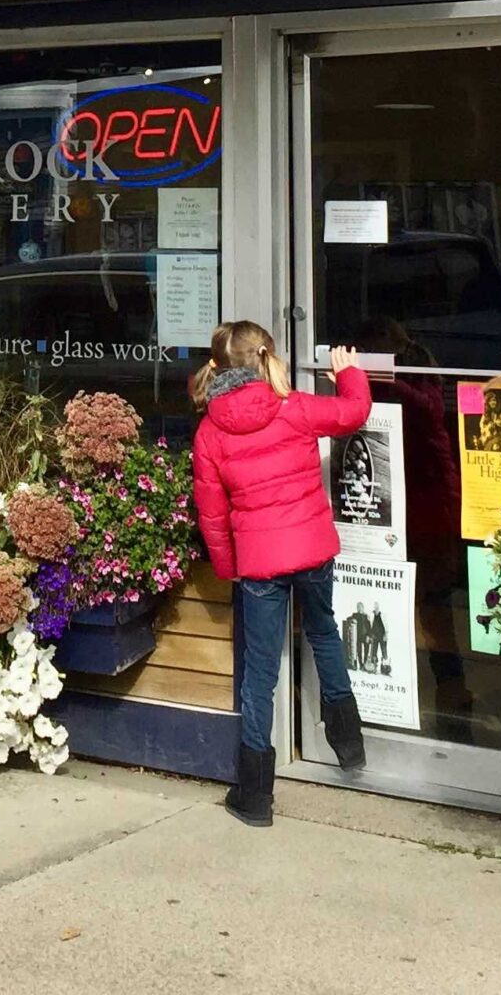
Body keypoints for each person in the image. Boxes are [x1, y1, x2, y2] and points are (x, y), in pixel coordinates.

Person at [190, 319, 371, 827]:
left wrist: (230, 569)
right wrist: (350, 373)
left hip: (260, 566)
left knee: (259, 677)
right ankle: (350, 748)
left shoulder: (209, 432)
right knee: (324, 635)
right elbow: (354, 411)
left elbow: (213, 515)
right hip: (313, 550)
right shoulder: (293, 408)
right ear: (266, 357)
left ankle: (255, 796)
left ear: (216, 367)